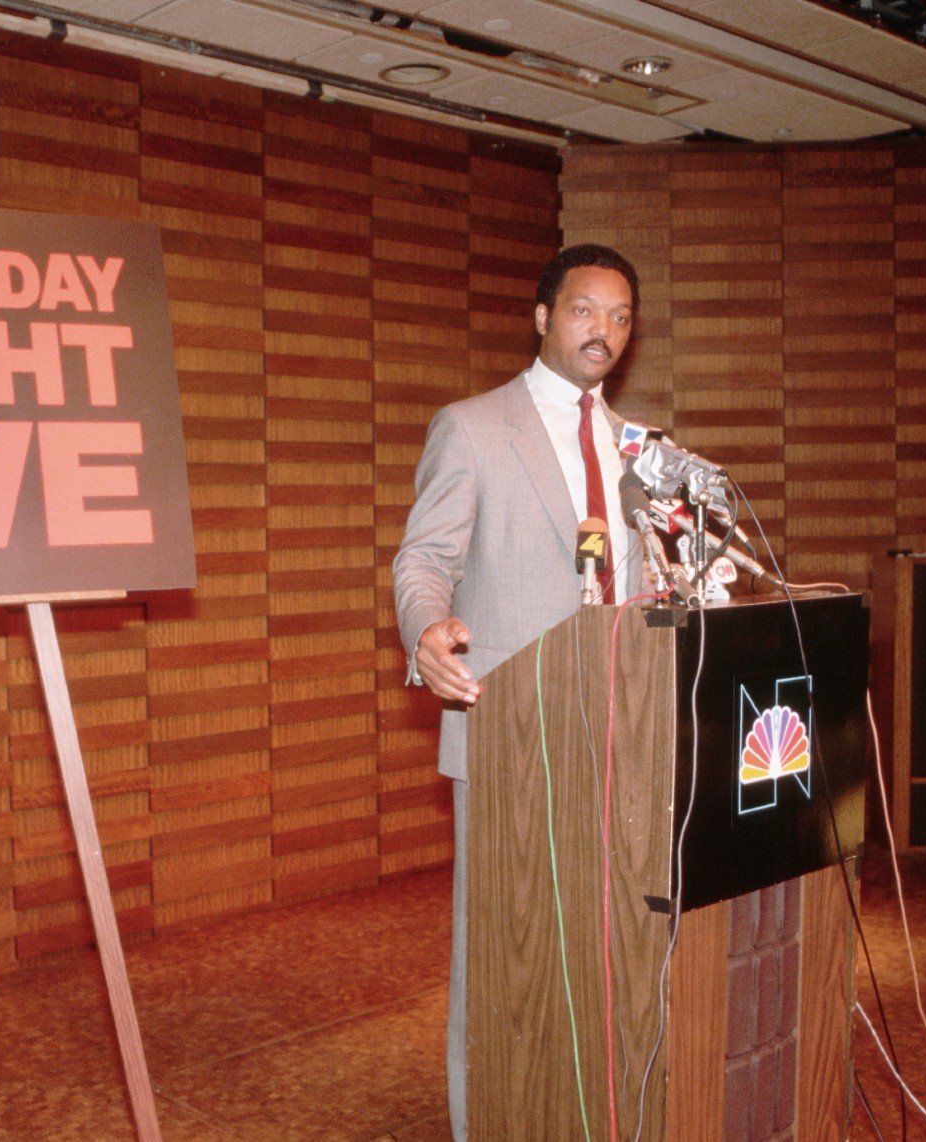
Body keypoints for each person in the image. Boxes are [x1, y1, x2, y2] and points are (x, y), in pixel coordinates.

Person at [392, 243, 644, 1141]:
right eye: (585, 311)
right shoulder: (473, 426)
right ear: (542, 317)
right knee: (497, 959)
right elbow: (425, 560)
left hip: (627, 737)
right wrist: (427, 632)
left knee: (606, 946)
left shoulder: (637, 451)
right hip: (508, 731)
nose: (603, 332)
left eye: (620, 318)